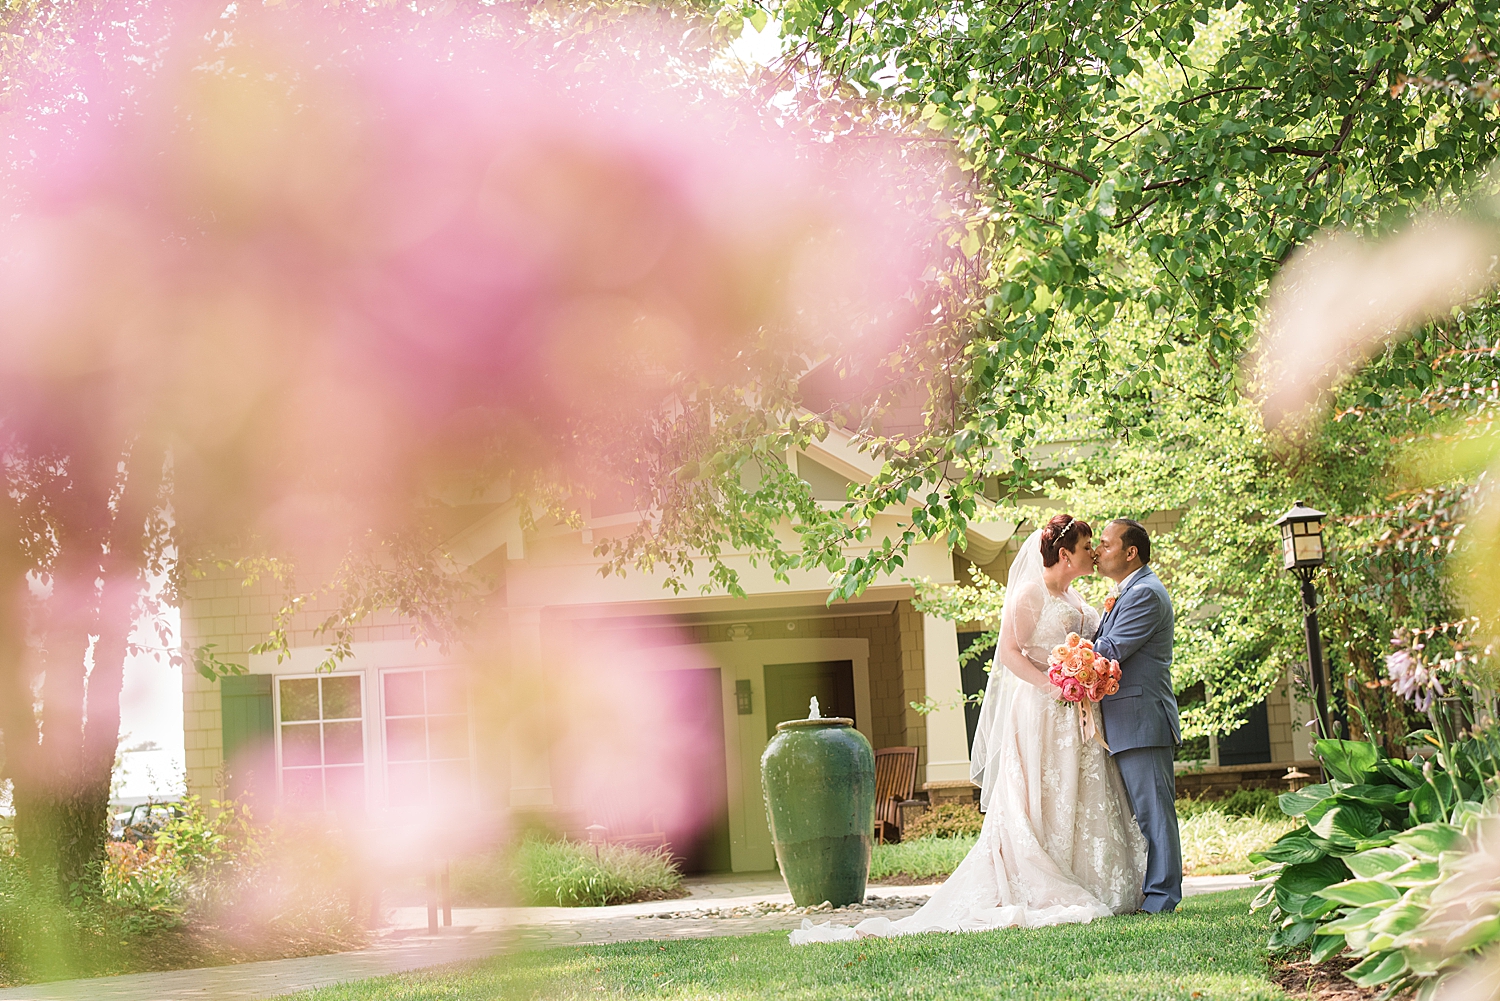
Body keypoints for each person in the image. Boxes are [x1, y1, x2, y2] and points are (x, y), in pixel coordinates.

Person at [790, 514, 1145, 944]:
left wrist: (1082, 679)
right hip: (1040, 709)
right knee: (1042, 794)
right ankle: (1043, 876)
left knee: (1074, 792)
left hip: (1075, 714)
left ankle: (1088, 875)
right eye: (1087, 547)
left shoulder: (1073, 594)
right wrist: (1053, 686)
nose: (1093, 554)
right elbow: (1011, 654)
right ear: (1066, 554)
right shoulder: (1031, 593)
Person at [1092, 518, 1183, 914]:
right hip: (1126, 720)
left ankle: (1163, 898)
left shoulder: (1144, 593)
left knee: (1154, 814)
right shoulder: (1125, 591)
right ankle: (1152, 892)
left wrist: (1059, 658)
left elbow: (1110, 649)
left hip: (1142, 719)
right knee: (1143, 815)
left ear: (1131, 552)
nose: (1098, 550)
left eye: (1106, 544)